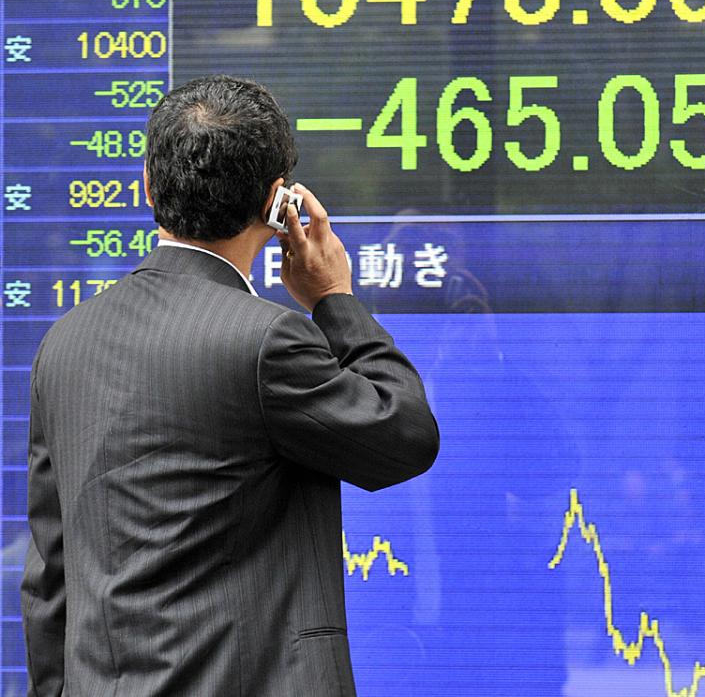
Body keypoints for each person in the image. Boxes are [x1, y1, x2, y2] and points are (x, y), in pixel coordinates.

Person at [21, 76, 439, 697]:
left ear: (147, 186)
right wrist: (335, 300)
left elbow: (50, 578)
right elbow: (403, 435)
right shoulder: (269, 341)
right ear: (277, 203)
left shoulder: (64, 343)